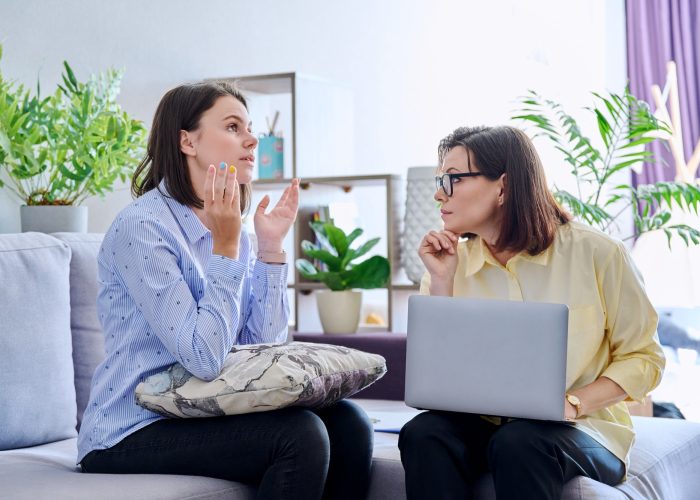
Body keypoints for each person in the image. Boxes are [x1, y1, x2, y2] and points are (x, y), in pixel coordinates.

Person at [77, 81, 373, 500]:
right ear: (187, 141)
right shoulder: (143, 228)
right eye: (233, 127)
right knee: (300, 435)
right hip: (130, 428)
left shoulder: (232, 230)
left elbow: (258, 354)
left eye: (249, 128)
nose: (252, 139)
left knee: (350, 424)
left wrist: (269, 250)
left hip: (198, 410)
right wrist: (227, 249)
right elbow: (203, 357)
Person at [399, 125, 666, 499]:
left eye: (453, 178)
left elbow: (645, 358)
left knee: (520, 442)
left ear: (503, 186)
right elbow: (437, 379)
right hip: (483, 426)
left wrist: (574, 404)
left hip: (581, 429)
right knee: (423, 433)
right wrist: (442, 282)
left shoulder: (599, 254)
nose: (438, 192)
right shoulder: (448, 264)